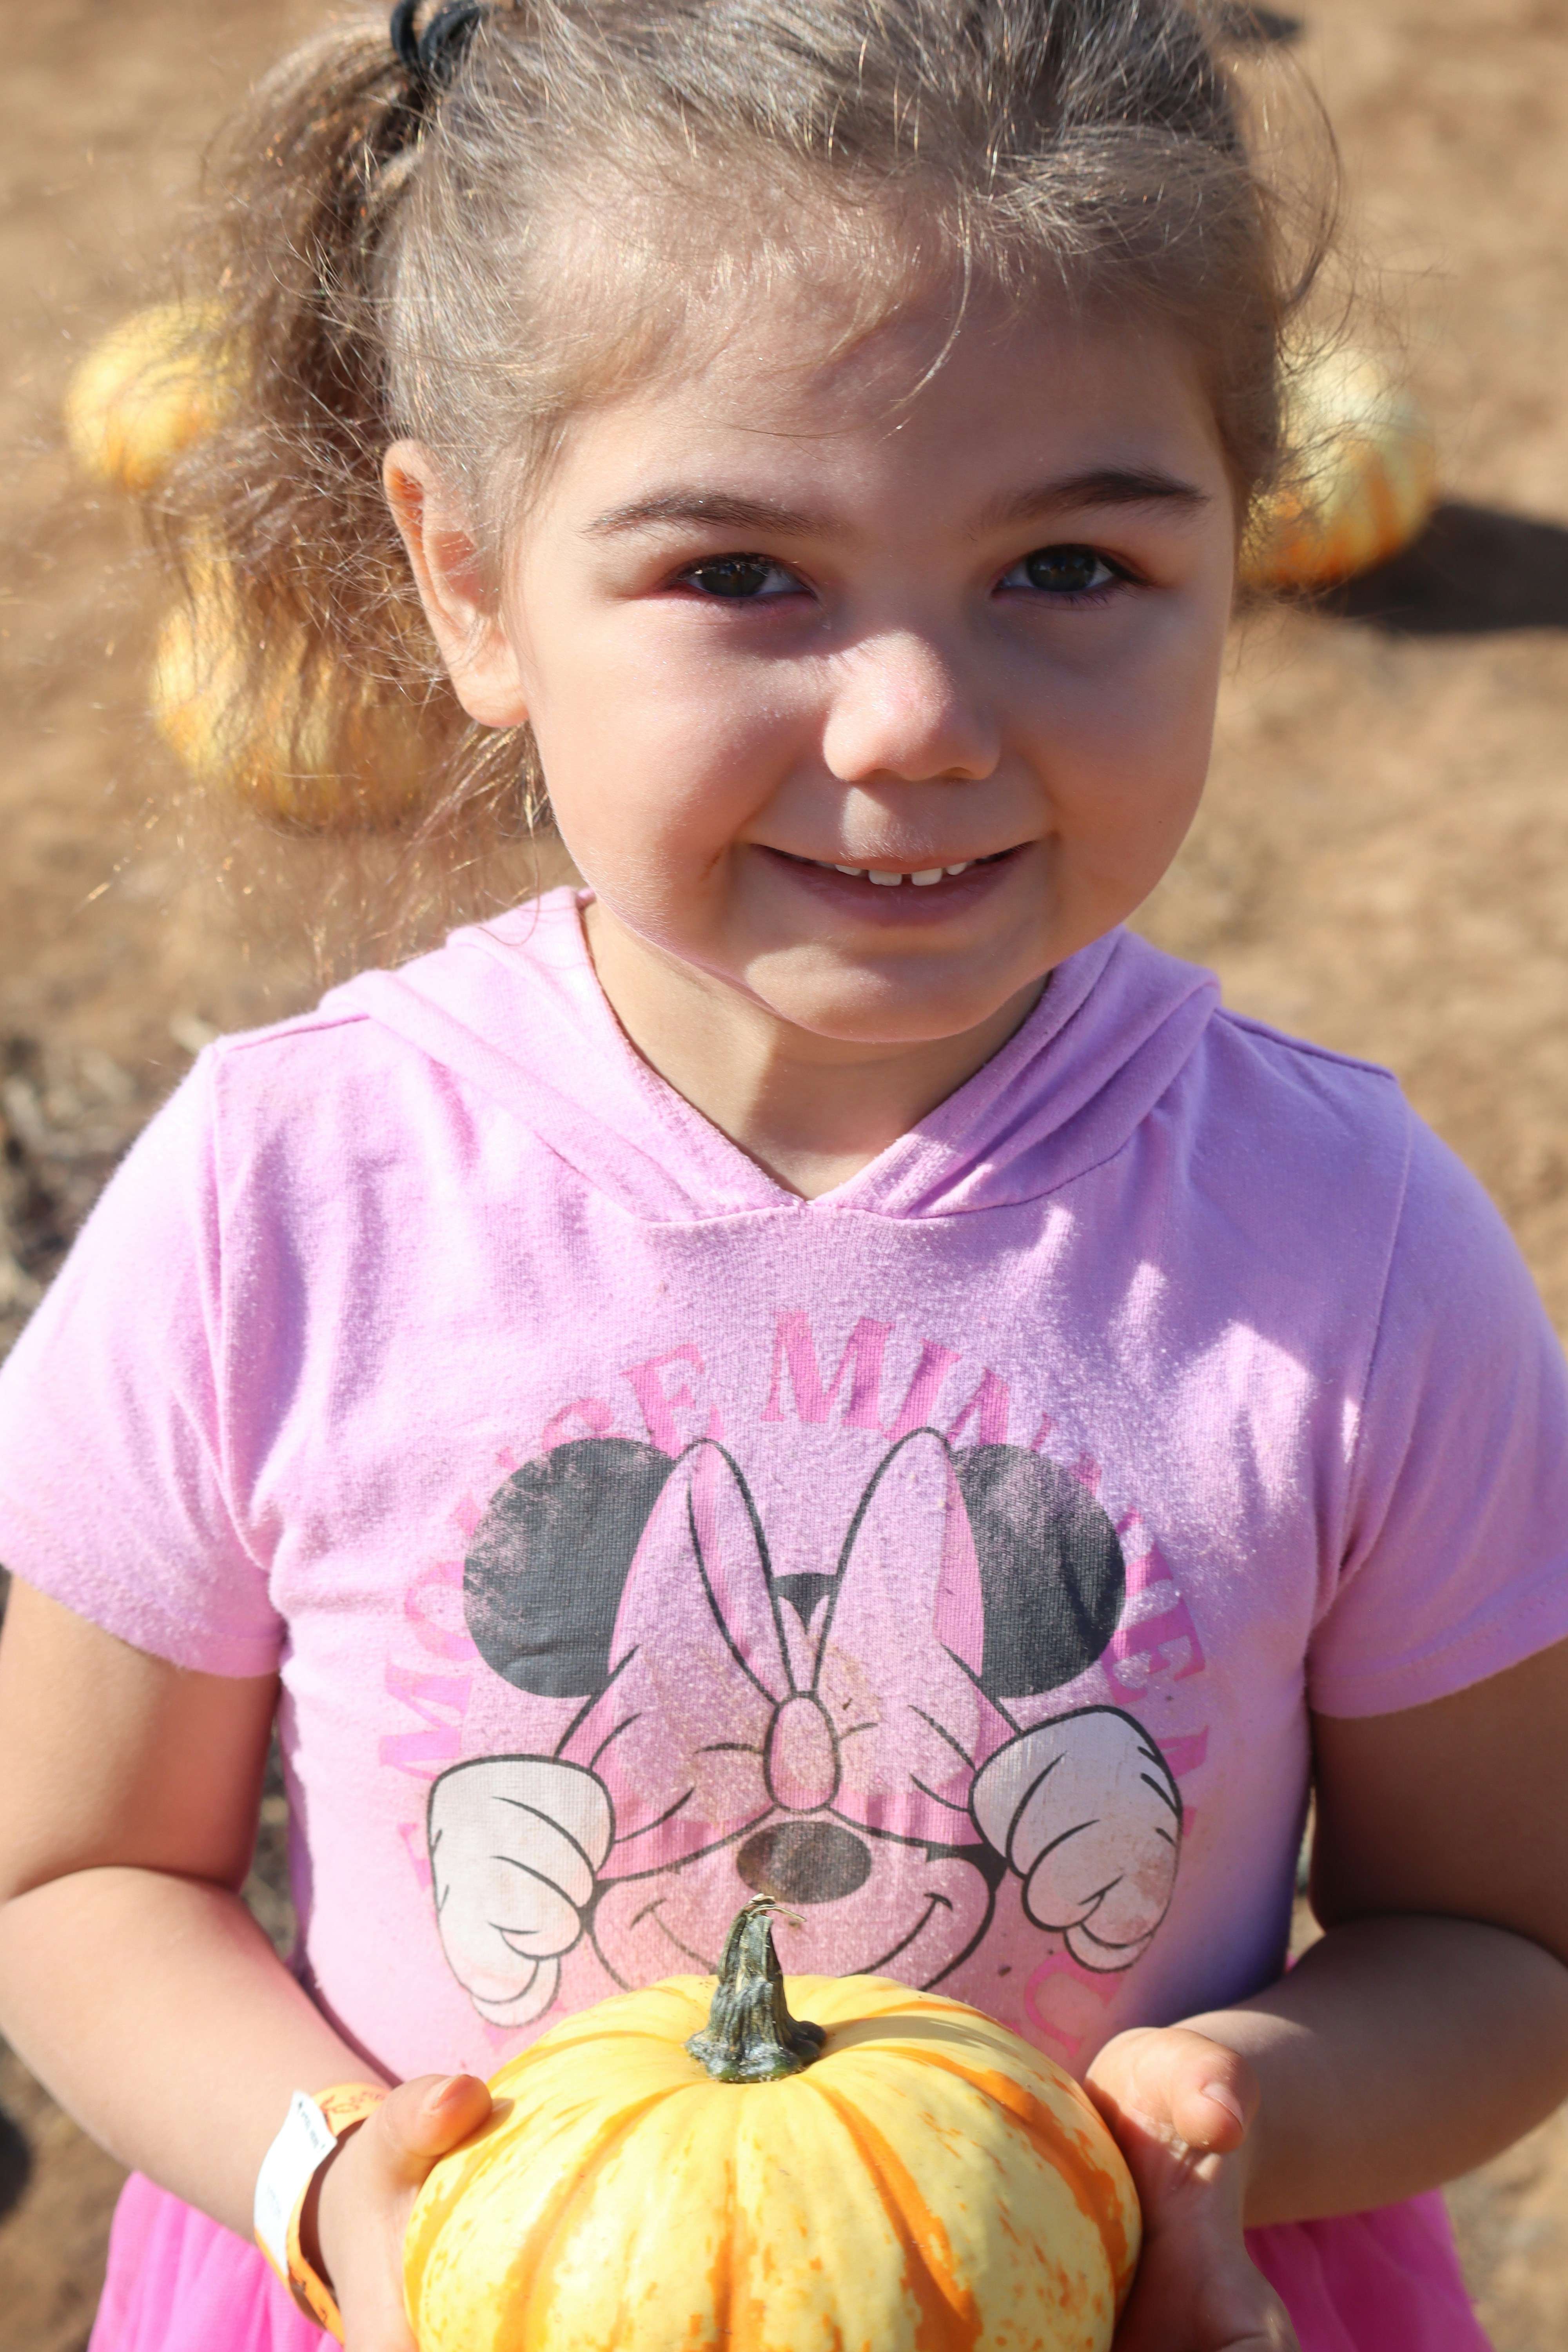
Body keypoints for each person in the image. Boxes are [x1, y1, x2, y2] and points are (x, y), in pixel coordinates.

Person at [1, 1, 1565, 2347]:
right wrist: (339, 2190)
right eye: (745, 575)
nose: (915, 720)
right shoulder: (282, 1196)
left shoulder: (1343, 1241)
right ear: (465, 577)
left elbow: (1509, 1943)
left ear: (1234, 553)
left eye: (1070, 568)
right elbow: (83, 1875)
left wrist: (1222, 2125)